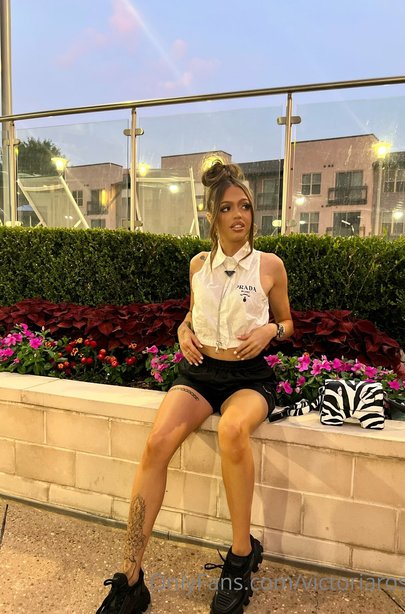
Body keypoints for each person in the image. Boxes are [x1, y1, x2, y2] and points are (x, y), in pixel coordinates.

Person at [96, 161, 293, 614]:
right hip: (200, 374)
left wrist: (271, 331)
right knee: (156, 444)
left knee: (232, 431)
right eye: (227, 208)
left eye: (245, 206)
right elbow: (194, 314)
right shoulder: (199, 266)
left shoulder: (269, 266)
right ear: (212, 216)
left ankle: (241, 557)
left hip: (250, 378)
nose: (238, 215)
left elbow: (288, 322)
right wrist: (183, 330)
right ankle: (131, 576)